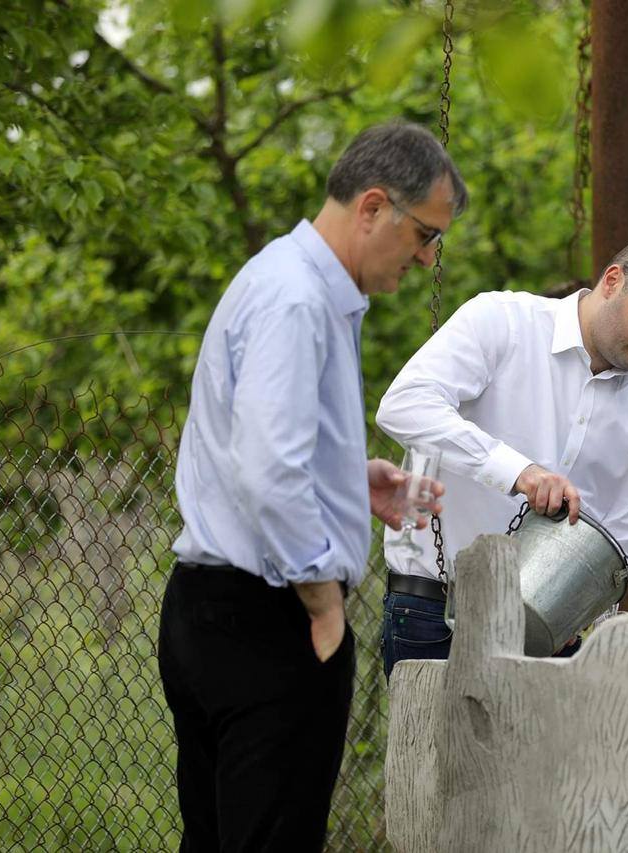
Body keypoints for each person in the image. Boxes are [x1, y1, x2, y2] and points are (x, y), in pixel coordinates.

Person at [158, 121, 467, 852]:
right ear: (373, 206)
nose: (427, 258)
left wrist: (348, 482)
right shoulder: (298, 300)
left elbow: (254, 449)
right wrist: (324, 603)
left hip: (217, 608)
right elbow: (270, 472)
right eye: (426, 235)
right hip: (267, 619)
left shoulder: (284, 279)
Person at [374, 236, 628, 674]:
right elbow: (403, 406)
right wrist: (519, 472)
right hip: (432, 612)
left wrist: (580, 607)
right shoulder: (502, 321)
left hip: (550, 637)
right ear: (613, 281)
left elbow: (619, 542)